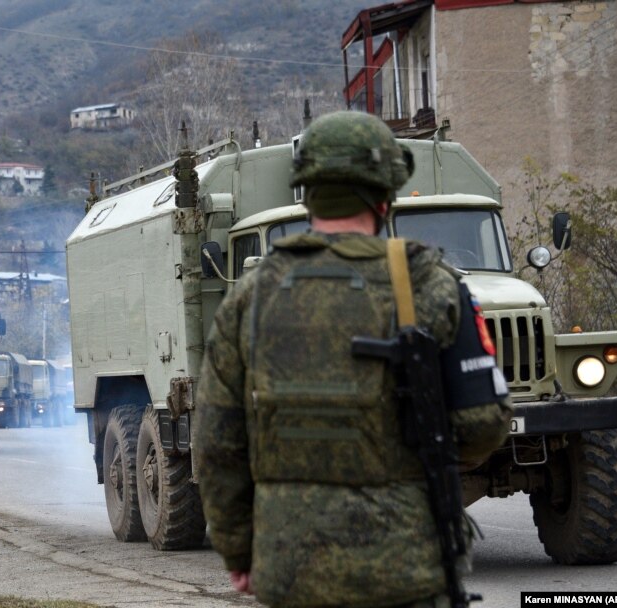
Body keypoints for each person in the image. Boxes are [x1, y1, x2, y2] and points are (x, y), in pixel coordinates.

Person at [193, 111, 512, 608]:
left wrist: (239, 550)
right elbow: (484, 426)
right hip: (406, 566)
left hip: (289, 569)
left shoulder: (251, 295)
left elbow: (216, 443)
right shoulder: (432, 284)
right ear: (386, 195)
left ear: (308, 191)